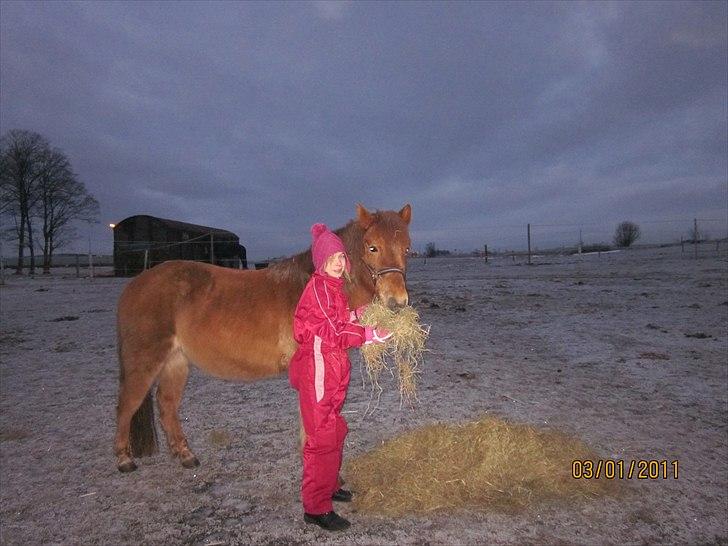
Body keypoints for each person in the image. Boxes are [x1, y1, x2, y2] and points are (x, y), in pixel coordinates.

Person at [289, 223, 391, 532]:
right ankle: (316, 507)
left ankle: (330, 484)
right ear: (320, 260)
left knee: (334, 429)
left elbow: (335, 319)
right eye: (332, 256)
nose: (338, 262)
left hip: (332, 372)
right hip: (318, 373)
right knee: (320, 438)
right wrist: (370, 334)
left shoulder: (332, 289)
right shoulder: (319, 288)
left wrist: (359, 315)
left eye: (341, 257)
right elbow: (332, 332)